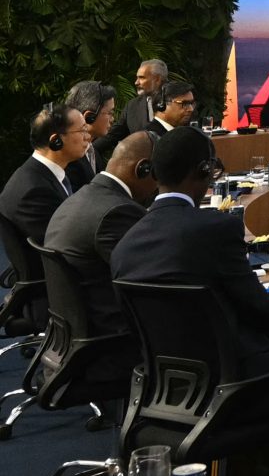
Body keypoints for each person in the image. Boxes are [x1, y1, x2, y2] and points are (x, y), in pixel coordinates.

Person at [109, 127, 269, 378]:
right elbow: (260, 309)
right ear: (204, 170)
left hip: (164, 377)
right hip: (234, 374)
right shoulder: (218, 229)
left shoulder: (124, 245)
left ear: (153, 173)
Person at [45, 132, 158, 339]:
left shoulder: (81, 197)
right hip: (111, 338)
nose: (158, 187)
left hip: (76, 329)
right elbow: (152, 278)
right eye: (159, 177)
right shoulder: (117, 212)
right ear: (143, 169)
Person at [0, 105, 91, 250]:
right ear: (56, 141)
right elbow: (64, 244)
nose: (88, 136)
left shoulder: (42, 173)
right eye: (82, 130)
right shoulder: (34, 191)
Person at [94, 59, 167, 157]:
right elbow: (112, 135)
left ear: (157, 79)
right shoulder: (132, 106)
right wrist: (87, 152)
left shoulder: (178, 100)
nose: (136, 82)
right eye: (137, 78)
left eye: (142, 78)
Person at [63, 80, 117, 190]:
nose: (113, 119)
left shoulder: (92, 151)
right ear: (89, 116)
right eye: (110, 113)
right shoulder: (68, 157)